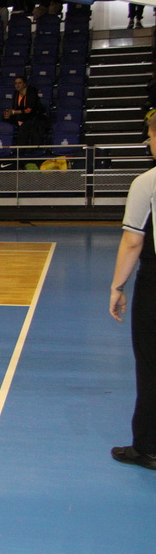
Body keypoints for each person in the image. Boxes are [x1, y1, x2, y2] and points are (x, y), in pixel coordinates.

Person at [108, 111, 156, 470]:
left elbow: (133, 242)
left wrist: (117, 286)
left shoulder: (146, 183)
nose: (148, 142)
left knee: (151, 364)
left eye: (150, 136)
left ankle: (148, 447)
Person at [4, 76, 48, 147]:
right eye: (16, 83)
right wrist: (9, 113)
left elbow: (29, 110)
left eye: (19, 83)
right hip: (22, 115)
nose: (17, 85)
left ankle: (21, 148)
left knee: (26, 125)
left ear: (24, 84)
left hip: (34, 116)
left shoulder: (31, 92)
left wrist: (14, 112)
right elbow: (14, 107)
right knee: (4, 117)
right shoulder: (16, 93)